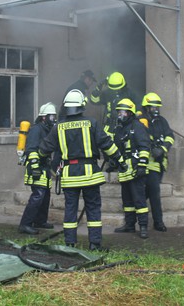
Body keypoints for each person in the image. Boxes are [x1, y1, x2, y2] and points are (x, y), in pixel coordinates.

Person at [38, 89, 123, 250]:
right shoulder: (92, 123)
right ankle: (94, 243)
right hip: (90, 174)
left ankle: (70, 243)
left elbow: (44, 149)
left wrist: (41, 159)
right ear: (81, 106)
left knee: (70, 209)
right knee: (93, 209)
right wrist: (120, 159)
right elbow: (106, 144)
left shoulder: (58, 127)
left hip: (70, 176)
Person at [113, 98, 152, 239]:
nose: (121, 115)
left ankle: (143, 227)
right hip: (124, 171)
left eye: (123, 112)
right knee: (127, 200)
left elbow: (144, 146)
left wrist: (142, 165)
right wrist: (113, 162)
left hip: (136, 170)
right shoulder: (119, 129)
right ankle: (129, 225)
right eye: (119, 112)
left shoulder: (137, 126)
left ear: (130, 113)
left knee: (139, 200)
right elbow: (117, 147)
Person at [18, 102, 57, 235]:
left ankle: (40, 221)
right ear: (44, 117)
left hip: (44, 167)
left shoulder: (47, 129)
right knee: (37, 196)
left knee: (45, 196)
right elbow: (31, 149)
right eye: (51, 116)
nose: (53, 119)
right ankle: (25, 224)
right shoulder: (36, 129)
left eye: (54, 116)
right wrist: (35, 168)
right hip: (36, 168)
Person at [141, 92, 175, 232]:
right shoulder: (141, 121)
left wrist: (162, 149)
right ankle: (156, 222)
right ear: (146, 108)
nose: (156, 109)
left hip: (158, 163)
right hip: (145, 163)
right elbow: (140, 139)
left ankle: (154, 220)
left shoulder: (162, 121)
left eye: (157, 107)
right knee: (152, 192)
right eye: (153, 107)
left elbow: (170, 137)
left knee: (150, 192)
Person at [89, 71, 140, 136]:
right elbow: (94, 100)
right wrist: (98, 88)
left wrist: (136, 118)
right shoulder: (107, 93)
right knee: (105, 140)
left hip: (126, 124)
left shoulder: (129, 93)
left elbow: (139, 106)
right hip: (110, 125)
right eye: (113, 89)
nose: (116, 90)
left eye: (118, 88)